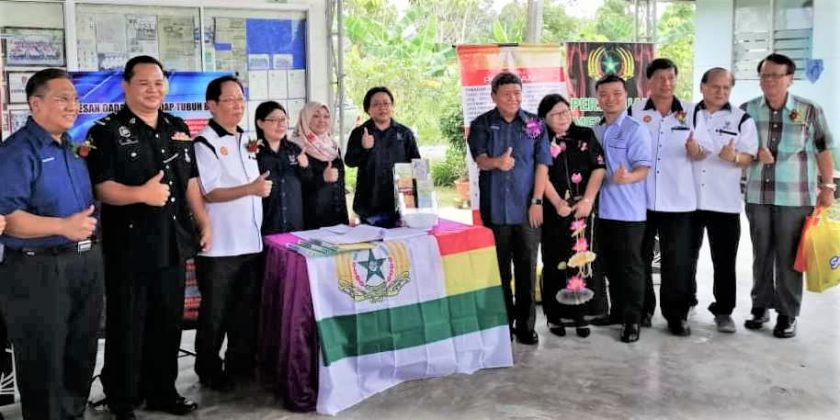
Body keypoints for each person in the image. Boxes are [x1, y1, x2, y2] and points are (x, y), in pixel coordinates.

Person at [85, 55, 210, 419]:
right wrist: (140, 194)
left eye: (158, 82)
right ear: (125, 87)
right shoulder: (106, 131)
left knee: (167, 323)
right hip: (130, 247)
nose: (153, 89)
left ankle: (162, 391)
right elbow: (100, 186)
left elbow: (190, 181)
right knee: (127, 325)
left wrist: (204, 222)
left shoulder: (176, 126)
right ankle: (122, 398)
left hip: (172, 242)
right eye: (144, 83)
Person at [0, 68, 103, 420]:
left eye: (75, 99)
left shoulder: (71, 147)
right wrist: (63, 226)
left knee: (81, 352)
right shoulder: (17, 151)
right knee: (44, 360)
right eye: (62, 99)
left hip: (84, 264)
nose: (73, 105)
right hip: (38, 268)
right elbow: (7, 217)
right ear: (36, 104)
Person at [741, 53, 835, 338]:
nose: (769, 81)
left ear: (789, 79)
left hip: (795, 198)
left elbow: (823, 149)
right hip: (758, 196)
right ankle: (760, 307)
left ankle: (787, 313)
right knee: (761, 254)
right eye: (764, 75)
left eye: (776, 75)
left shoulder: (810, 110)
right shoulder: (747, 111)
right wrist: (754, 155)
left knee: (789, 257)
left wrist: (828, 187)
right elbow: (737, 151)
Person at [192, 76, 267, 389]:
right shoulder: (205, 142)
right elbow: (209, 192)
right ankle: (208, 369)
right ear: (212, 105)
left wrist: (256, 190)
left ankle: (240, 364)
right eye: (230, 99)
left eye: (240, 99)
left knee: (245, 310)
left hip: (250, 242)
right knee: (215, 314)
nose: (238, 105)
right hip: (220, 246)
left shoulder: (246, 138)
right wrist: (251, 189)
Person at [629, 58, 713, 336]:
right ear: (648, 82)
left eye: (671, 78)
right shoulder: (635, 111)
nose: (666, 83)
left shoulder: (693, 111)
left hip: (679, 201)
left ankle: (676, 315)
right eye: (660, 78)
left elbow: (705, 150)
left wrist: (695, 150)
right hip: (641, 200)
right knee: (639, 258)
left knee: (677, 261)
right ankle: (642, 310)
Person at [467, 72, 551, 345]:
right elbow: (480, 159)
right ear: (494, 96)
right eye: (506, 94)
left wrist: (537, 200)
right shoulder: (481, 124)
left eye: (517, 93)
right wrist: (497, 163)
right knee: (499, 270)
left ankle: (526, 327)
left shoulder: (535, 124)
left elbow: (542, 165)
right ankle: (502, 324)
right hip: (495, 210)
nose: (513, 98)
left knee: (527, 269)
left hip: (527, 210)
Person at [690, 68, 759, 333]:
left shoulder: (742, 120)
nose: (720, 92)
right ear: (702, 87)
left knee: (724, 261)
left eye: (726, 88)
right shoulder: (686, 114)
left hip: (724, 203)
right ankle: (686, 301)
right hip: (689, 200)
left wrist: (734, 158)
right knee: (685, 257)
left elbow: (749, 157)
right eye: (715, 86)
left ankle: (723, 311)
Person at [536, 93, 607, 338]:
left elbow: (599, 168)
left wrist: (588, 200)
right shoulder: (540, 139)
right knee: (556, 262)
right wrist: (557, 202)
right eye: (555, 114)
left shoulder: (585, 135)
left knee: (584, 262)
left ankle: (581, 316)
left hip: (583, 212)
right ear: (544, 118)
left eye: (565, 111)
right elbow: (540, 173)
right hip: (554, 212)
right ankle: (556, 318)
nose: (562, 117)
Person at [592, 74, 652, 343]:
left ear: (626, 96)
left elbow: (643, 169)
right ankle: (616, 312)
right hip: (602, 212)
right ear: (597, 98)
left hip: (628, 212)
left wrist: (627, 177)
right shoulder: (596, 130)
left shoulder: (635, 129)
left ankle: (632, 320)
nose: (610, 99)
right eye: (604, 94)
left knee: (630, 267)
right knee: (610, 265)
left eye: (616, 93)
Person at [345, 86, 421, 227]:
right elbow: (349, 161)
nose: (382, 108)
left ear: (392, 107)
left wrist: (421, 198)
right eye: (376, 104)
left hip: (400, 205)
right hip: (369, 206)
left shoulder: (404, 133)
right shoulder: (360, 132)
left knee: (401, 241)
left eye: (386, 103)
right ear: (368, 109)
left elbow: (417, 165)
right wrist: (364, 148)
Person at [289, 101, 349, 229]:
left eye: (326, 116)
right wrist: (322, 178)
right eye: (316, 116)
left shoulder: (332, 147)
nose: (322, 120)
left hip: (338, 218)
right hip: (312, 221)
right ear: (305, 118)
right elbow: (293, 188)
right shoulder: (294, 148)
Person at [255, 101, 310, 235]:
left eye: (283, 119)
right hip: (266, 228)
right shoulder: (253, 153)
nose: (281, 124)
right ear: (260, 123)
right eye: (274, 120)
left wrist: (305, 167)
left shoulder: (295, 150)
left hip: (295, 227)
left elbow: (308, 184)